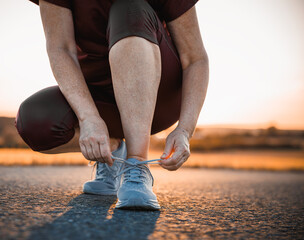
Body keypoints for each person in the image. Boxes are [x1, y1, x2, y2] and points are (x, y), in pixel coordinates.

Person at [16, 0, 209, 210]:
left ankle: (136, 166)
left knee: (128, 8)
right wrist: (88, 117)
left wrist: (185, 129)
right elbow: (61, 49)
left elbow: (195, 58)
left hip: (158, 97)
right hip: (100, 99)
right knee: (34, 120)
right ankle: (113, 151)